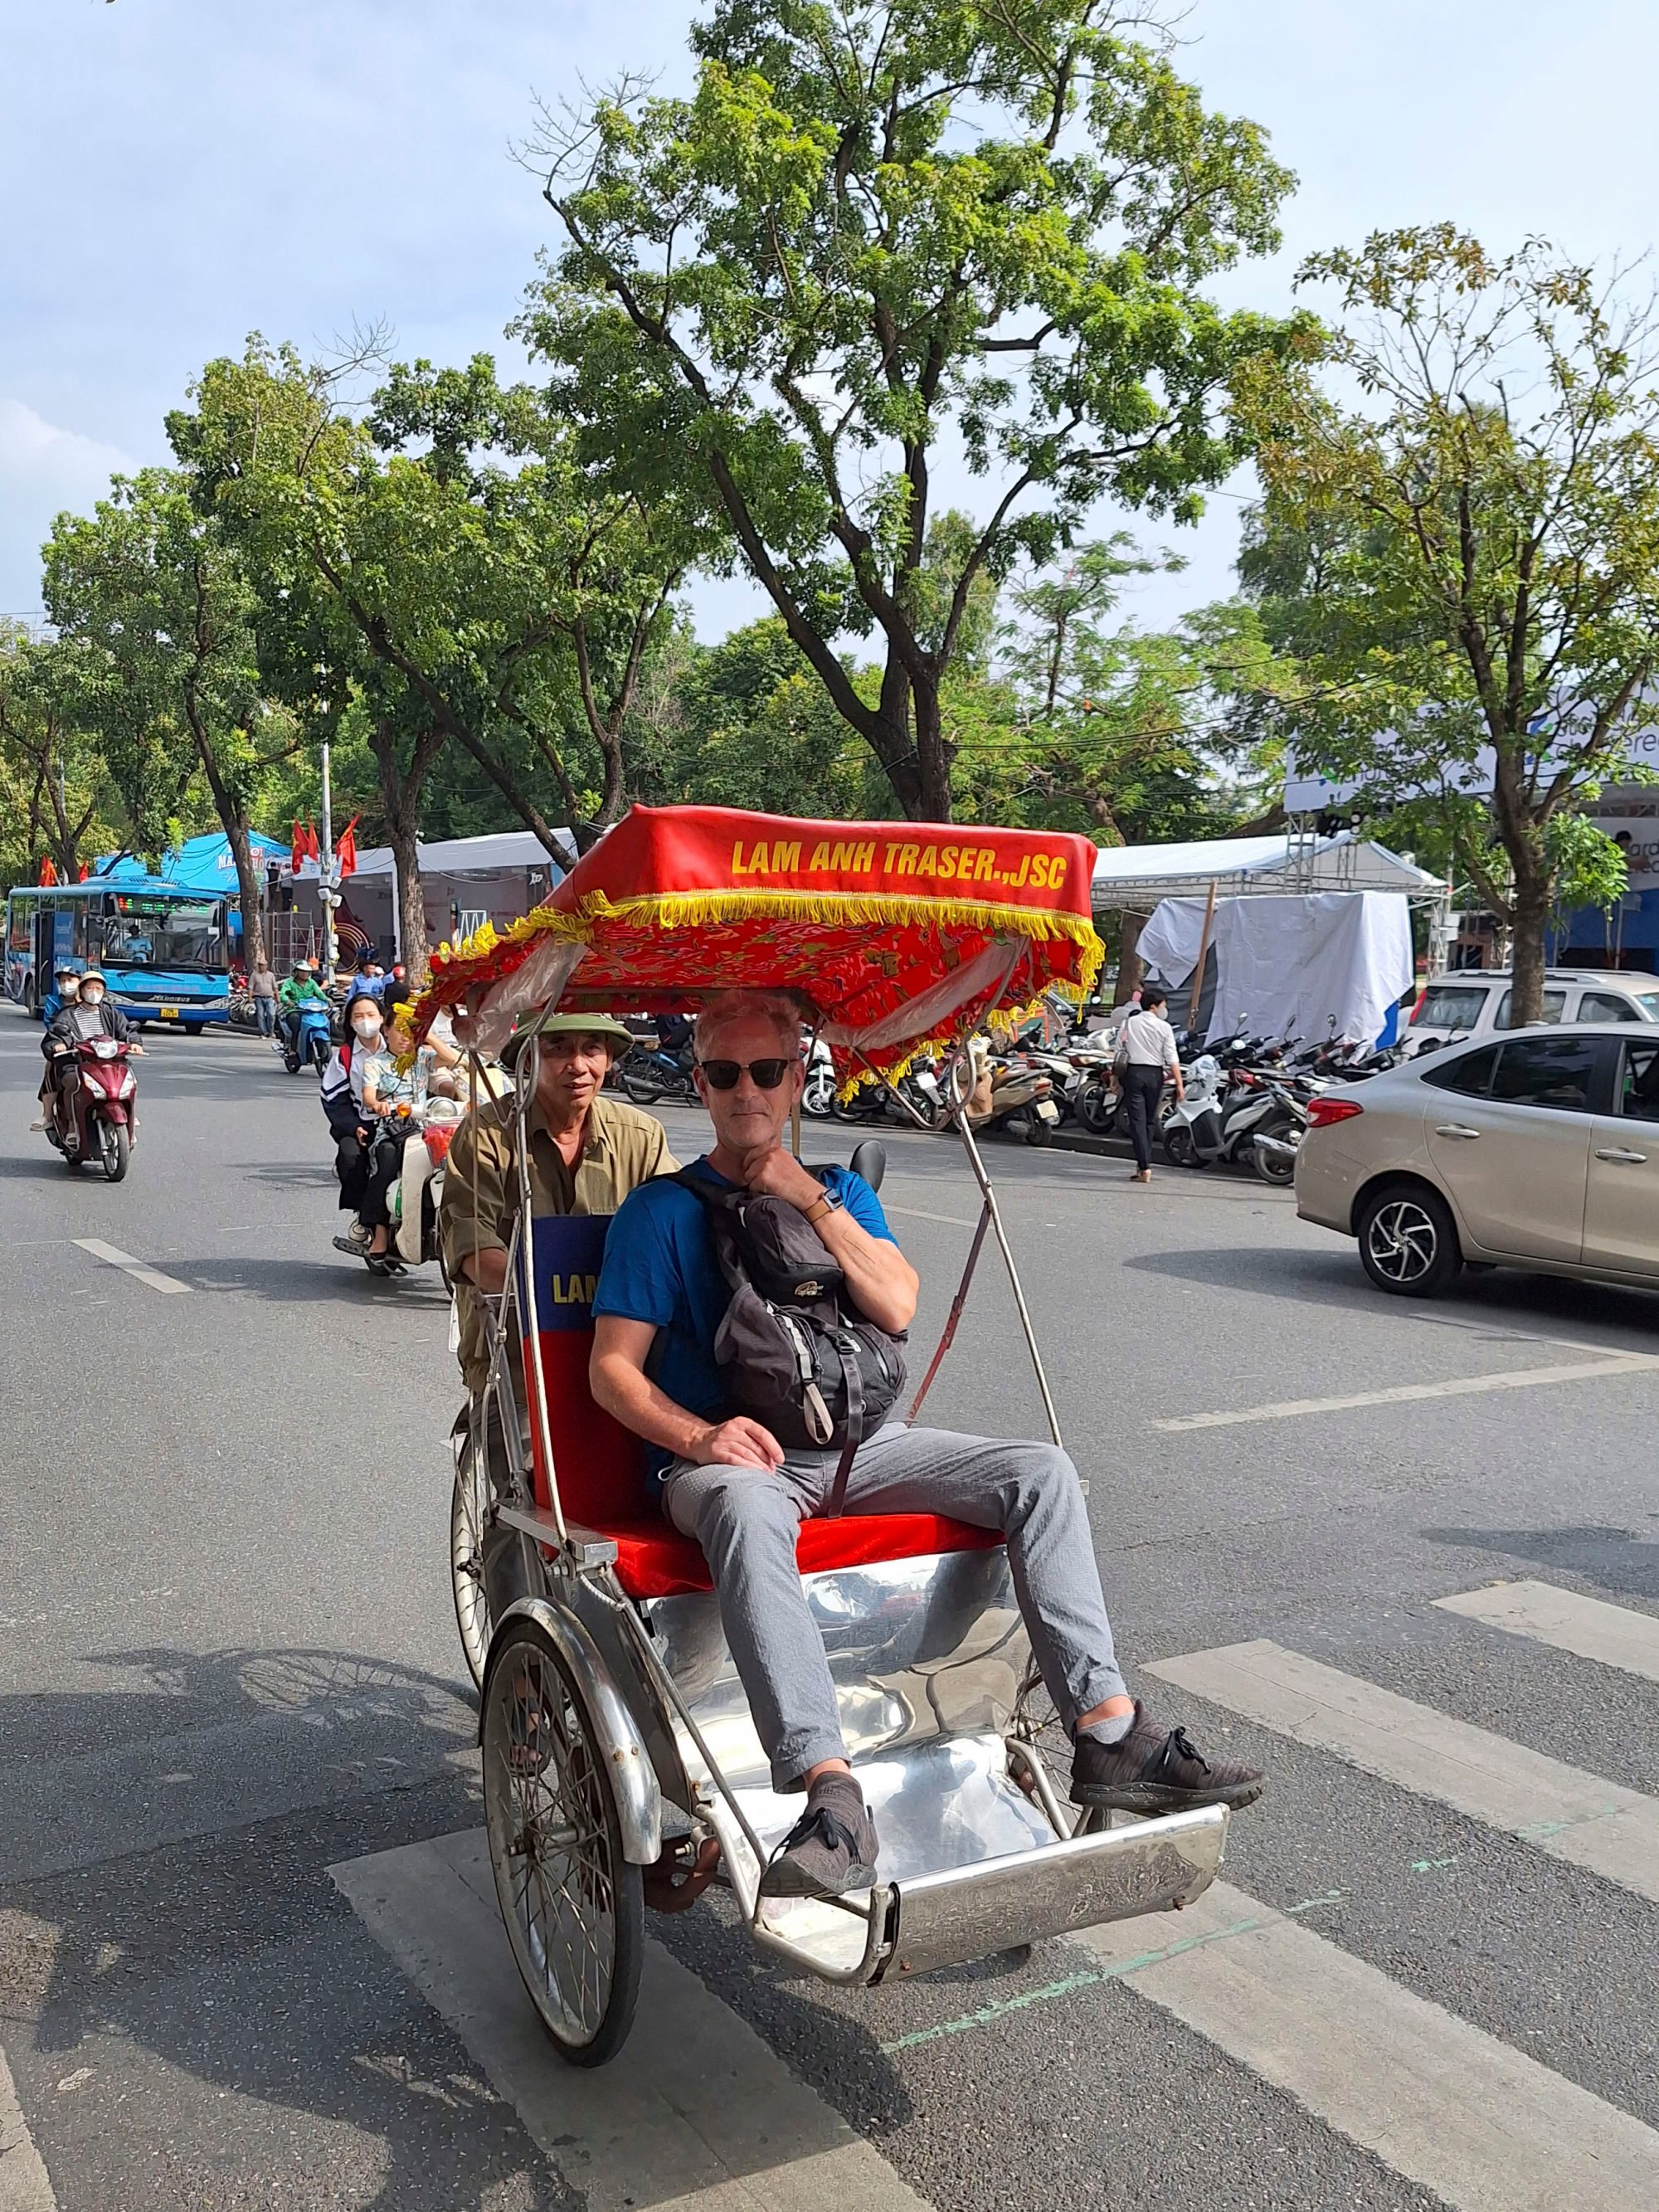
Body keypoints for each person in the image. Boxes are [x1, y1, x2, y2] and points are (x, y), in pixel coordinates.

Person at [590, 991, 1262, 1903]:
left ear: (796, 1078)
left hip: (865, 1445)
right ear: (700, 1084)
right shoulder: (658, 1213)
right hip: (733, 1464)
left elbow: (897, 1304)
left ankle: (1107, 1729)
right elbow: (612, 1372)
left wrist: (804, 1196)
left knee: (1040, 1471)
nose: (744, 1090)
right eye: (722, 1072)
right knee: (746, 1506)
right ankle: (830, 1792)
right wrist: (702, 1435)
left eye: (765, 1071)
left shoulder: (842, 1189)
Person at [440, 1013, 679, 1618]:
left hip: (622, 1349)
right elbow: (473, 1249)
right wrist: (540, 1292)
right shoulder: (489, 1135)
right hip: (515, 1346)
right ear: (531, 1059)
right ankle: (515, 1654)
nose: (578, 1065)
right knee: (526, 1507)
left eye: (592, 1049)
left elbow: (676, 1226)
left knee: (644, 1492)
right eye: (560, 1049)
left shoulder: (641, 1135)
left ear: (610, 1059)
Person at [347, 1002, 463, 1268]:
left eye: (410, 1030)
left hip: (425, 1130)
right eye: (398, 1029)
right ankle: (379, 1231)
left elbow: (452, 1058)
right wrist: (378, 1105)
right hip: (390, 1129)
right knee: (387, 1159)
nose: (404, 1036)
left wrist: (426, 1033)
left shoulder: (423, 1057)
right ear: (385, 1030)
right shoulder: (375, 1063)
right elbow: (368, 1096)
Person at [41, 968, 144, 1134]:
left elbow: (127, 1030)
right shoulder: (67, 1014)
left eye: (99, 989)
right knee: (74, 1083)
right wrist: (59, 1044)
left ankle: (130, 1117)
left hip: (110, 1062)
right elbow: (57, 1034)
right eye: (90, 988)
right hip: (78, 1062)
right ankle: (73, 1128)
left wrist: (134, 1043)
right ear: (81, 990)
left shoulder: (112, 1013)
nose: (94, 993)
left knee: (130, 1080)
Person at [321, 991, 387, 1245]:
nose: (366, 1021)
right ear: (350, 1022)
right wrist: (353, 1126)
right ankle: (363, 1214)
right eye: (358, 1016)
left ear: (382, 1018)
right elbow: (333, 1098)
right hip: (363, 1123)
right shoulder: (345, 1056)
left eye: (371, 1015)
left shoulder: (397, 1047)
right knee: (350, 1158)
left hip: (400, 1123)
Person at [1112, 983, 1183, 1185]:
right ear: (1154, 1006)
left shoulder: (1128, 1023)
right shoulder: (1165, 1027)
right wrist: (1179, 1084)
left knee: (1137, 1121)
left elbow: (1119, 1052)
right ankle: (1144, 1164)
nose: (1164, 1009)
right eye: (1163, 1005)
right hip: (1155, 1075)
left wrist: (1114, 1079)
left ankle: (1144, 1166)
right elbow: (1172, 1057)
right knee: (1150, 1121)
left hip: (1132, 1073)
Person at [275, 960, 327, 1057]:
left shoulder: (312, 983)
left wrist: (327, 1000)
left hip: (310, 1011)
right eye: (302, 971)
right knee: (297, 1025)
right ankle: (293, 1049)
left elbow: (319, 994)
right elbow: (284, 994)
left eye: (307, 972)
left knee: (323, 1021)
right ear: (296, 972)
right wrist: (287, 1001)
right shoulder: (289, 982)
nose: (305, 974)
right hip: (295, 1010)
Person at [39, 960, 83, 1025]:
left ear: (80, 982)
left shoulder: (86, 1002)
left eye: (70, 980)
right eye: (62, 981)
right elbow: (48, 1022)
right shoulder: (53, 1001)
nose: (66, 984)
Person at [249, 953, 279, 1037]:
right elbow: (250, 987)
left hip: (269, 997)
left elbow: (275, 987)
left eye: (264, 965)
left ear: (267, 966)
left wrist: (277, 997)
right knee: (260, 1015)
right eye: (261, 965)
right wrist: (250, 997)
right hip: (258, 997)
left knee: (271, 1014)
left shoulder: (271, 975)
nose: (262, 967)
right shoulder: (254, 975)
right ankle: (263, 1032)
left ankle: (271, 1031)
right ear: (258, 965)